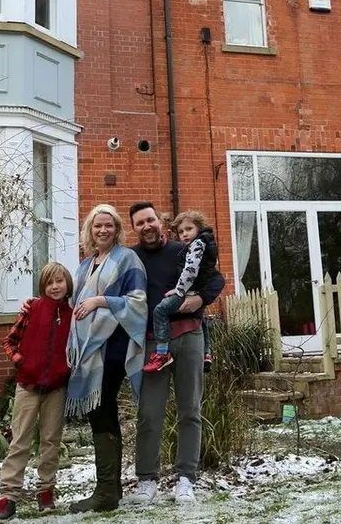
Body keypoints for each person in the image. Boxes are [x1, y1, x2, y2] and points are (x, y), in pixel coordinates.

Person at [125, 201, 225, 506]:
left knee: (190, 410)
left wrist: (200, 300)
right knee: (149, 413)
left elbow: (216, 278)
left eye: (150, 220)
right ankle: (147, 480)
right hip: (154, 343)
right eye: (139, 223)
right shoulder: (132, 258)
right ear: (134, 228)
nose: (146, 226)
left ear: (160, 221)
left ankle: (185, 478)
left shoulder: (182, 249)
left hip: (190, 335)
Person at [65, 204, 148, 514]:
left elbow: (138, 302)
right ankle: (110, 488)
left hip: (112, 348)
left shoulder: (127, 259)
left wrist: (101, 300)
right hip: (88, 351)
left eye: (109, 226)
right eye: (98, 225)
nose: (103, 230)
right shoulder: (85, 266)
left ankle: (106, 491)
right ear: (90, 229)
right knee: (101, 412)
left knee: (101, 408)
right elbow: (73, 304)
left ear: (116, 230)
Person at [0, 262, 75, 519]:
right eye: (49, 283)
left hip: (56, 388)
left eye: (59, 281)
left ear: (67, 283)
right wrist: (21, 362)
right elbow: (10, 341)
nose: (55, 287)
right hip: (27, 386)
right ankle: (8, 496)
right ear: (43, 287)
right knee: (20, 441)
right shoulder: (32, 308)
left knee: (51, 442)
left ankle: (46, 490)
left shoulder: (73, 315)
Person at [142, 210, 222, 374]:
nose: (185, 234)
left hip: (188, 303)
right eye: (181, 232)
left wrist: (197, 297)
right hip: (188, 294)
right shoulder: (197, 246)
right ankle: (207, 352)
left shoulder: (195, 247)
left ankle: (162, 353)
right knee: (203, 318)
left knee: (160, 310)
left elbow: (197, 273)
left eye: (189, 229)